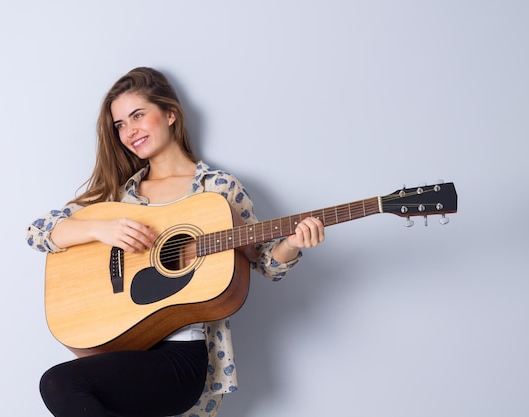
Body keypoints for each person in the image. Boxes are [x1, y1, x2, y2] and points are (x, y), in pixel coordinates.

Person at [25, 67, 325, 417]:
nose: (129, 131)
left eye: (137, 115)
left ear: (170, 114)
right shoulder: (120, 195)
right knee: (60, 385)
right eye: (119, 124)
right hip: (126, 345)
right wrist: (98, 229)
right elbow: (38, 232)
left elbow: (267, 264)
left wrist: (293, 243)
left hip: (181, 357)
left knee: (60, 383)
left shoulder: (218, 190)